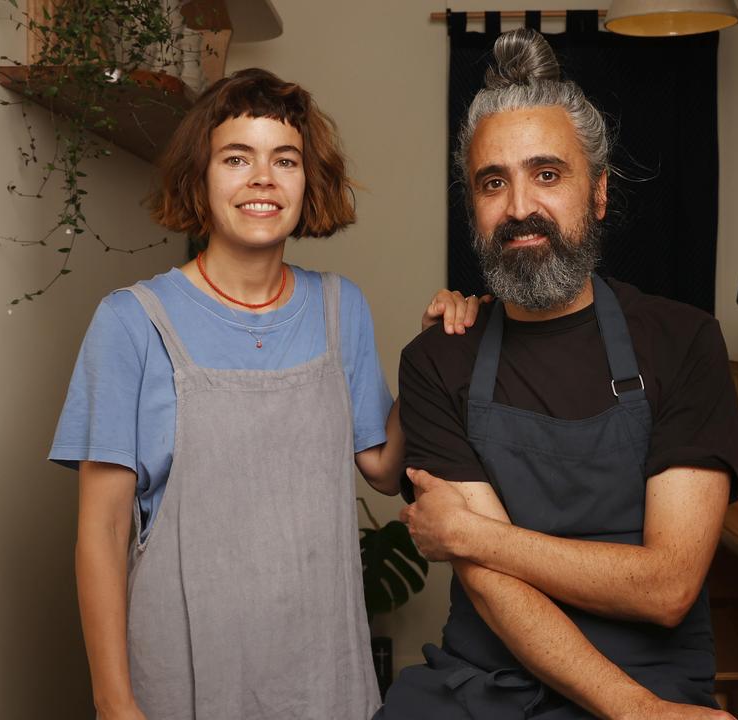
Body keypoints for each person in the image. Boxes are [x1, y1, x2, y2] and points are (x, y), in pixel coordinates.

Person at [49, 68, 480, 720]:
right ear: (201, 177)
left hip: (323, 677)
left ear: (310, 183)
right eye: (236, 158)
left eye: (285, 159)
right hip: (182, 679)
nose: (262, 179)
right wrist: (114, 703)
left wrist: (432, 356)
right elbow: (102, 530)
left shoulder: (341, 309)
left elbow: (386, 471)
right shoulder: (132, 322)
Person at [377, 29, 738, 720]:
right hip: (482, 683)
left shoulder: (683, 342)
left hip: (655, 679)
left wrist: (473, 535)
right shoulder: (438, 360)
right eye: (494, 183)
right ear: (473, 210)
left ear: (598, 193)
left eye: (547, 174)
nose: (520, 208)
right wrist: (629, 710)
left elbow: (667, 586)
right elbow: (491, 587)